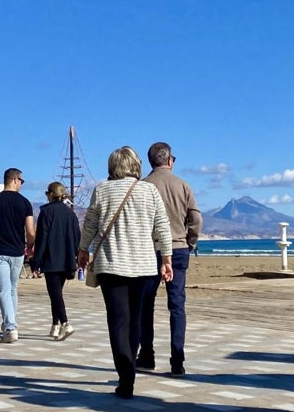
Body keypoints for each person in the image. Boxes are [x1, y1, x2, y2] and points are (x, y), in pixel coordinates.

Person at [77, 146, 173, 399]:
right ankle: (129, 369)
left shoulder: (101, 190)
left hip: (111, 265)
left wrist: (82, 249)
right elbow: (162, 227)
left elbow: (90, 224)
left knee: (119, 321)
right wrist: (167, 260)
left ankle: (126, 376)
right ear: (136, 166)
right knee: (136, 320)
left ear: (112, 166)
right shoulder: (149, 190)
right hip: (143, 267)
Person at [138, 142, 203, 377]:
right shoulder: (183, 185)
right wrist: (190, 241)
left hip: (149, 250)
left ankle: (146, 355)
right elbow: (196, 219)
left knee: (146, 304)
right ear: (170, 160)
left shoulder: (142, 186)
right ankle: (177, 359)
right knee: (177, 306)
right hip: (177, 248)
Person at [0, 167, 35, 343]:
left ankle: (10, 327)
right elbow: (31, 231)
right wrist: (30, 247)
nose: (21, 184)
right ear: (15, 180)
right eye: (22, 181)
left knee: (4, 289)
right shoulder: (25, 203)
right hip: (17, 252)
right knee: (12, 289)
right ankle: (9, 324)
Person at [32, 182, 81, 341]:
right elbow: (77, 238)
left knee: (55, 294)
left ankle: (66, 323)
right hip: (67, 260)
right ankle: (55, 325)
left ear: (51, 194)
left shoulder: (46, 213)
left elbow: (42, 239)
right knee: (56, 293)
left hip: (52, 260)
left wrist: (36, 261)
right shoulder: (71, 214)